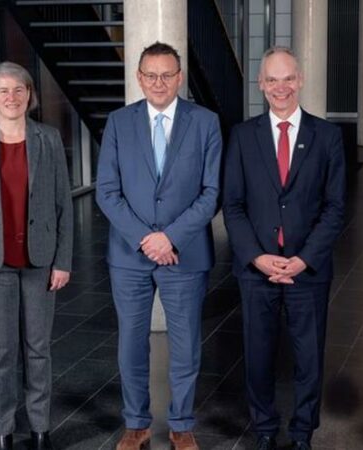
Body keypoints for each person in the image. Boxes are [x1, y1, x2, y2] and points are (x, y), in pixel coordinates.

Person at [95, 41, 221, 450]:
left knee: (185, 344)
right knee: (131, 343)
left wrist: (171, 237)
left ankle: (182, 424)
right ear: (139, 77)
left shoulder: (205, 122)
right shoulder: (118, 122)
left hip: (184, 252)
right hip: (130, 254)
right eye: (151, 74)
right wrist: (146, 239)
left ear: (180, 77)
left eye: (167, 74)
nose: (159, 82)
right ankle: (136, 423)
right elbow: (107, 191)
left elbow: (211, 191)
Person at [222, 46, 346, 450]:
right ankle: (263, 429)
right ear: (261, 84)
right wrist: (257, 257)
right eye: (272, 80)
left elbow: (335, 207)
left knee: (308, 359)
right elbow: (233, 205)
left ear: (301, 80)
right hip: (256, 270)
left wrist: (303, 259)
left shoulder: (327, 136)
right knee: (257, 357)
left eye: (288, 78)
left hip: (307, 271)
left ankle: (302, 433)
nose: (281, 87)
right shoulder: (242, 136)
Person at [0, 61, 73, 450]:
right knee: (1, 354)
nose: (11, 97)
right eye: (3, 91)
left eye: (19, 90)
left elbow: (63, 206)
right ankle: (3, 429)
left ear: (29, 96)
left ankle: (40, 428)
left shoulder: (48, 139)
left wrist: (63, 261)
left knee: (39, 350)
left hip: (40, 262)